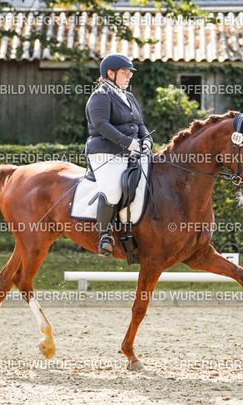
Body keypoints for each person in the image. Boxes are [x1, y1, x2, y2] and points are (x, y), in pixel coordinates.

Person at [85, 53, 153, 257]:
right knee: (113, 190)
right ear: (110, 73)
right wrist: (127, 142)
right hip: (105, 152)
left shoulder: (128, 97)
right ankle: (105, 236)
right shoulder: (100, 96)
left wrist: (147, 140)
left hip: (131, 152)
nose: (129, 77)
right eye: (125, 73)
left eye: (130, 73)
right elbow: (101, 124)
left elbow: (140, 124)